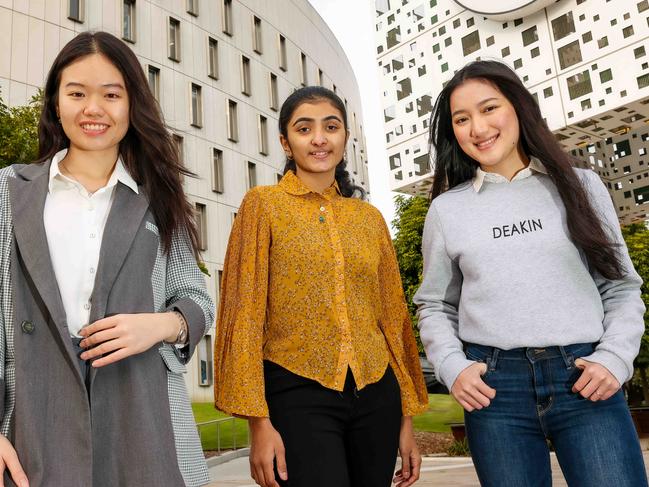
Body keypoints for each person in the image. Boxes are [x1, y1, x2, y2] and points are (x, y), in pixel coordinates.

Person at [413, 59, 648, 487]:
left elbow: (620, 287)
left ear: (519, 108)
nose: (477, 128)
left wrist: (614, 358)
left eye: (489, 109)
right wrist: (452, 366)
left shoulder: (580, 186)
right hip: (495, 391)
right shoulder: (447, 210)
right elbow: (434, 304)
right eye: (461, 119)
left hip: (585, 377)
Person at [0, 31, 214, 486]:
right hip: (35, 421)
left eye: (111, 95)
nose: (92, 109)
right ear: (56, 102)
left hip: (141, 418)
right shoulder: (8, 192)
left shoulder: (159, 199)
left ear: (131, 105)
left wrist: (159, 325)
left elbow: (196, 296)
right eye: (76, 93)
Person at [214, 86, 428, 487]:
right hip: (296, 390)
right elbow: (244, 312)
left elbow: (393, 316)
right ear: (285, 141)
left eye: (331, 127)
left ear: (345, 138)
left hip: (376, 392)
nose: (319, 139)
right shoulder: (263, 205)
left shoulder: (369, 218)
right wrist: (258, 424)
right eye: (304, 128)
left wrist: (407, 418)